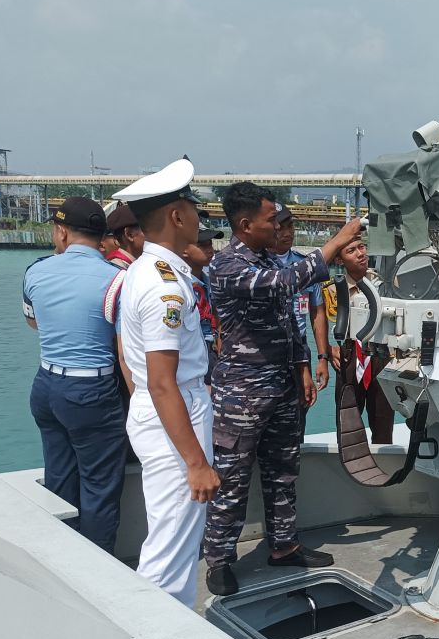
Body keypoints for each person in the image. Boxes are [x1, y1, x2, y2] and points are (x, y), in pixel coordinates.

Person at [204, 181, 364, 596]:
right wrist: (337, 241)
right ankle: (219, 559)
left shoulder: (265, 259)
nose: (278, 226)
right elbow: (284, 286)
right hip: (242, 394)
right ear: (244, 224)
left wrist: (304, 367)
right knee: (233, 477)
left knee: (283, 471)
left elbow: (290, 324)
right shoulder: (229, 266)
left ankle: (284, 545)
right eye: (270, 219)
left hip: (282, 387)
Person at [112, 158, 220, 606]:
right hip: (176, 415)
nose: (200, 218)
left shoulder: (145, 271)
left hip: (163, 416)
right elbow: (161, 382)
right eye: (194, 209)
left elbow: (133, 364)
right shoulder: (165, 288)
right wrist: (195, 462)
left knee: (172, 536)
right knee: (171, 551)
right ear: (177, 216)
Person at [22, 196, 128, 553]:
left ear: (62, 232)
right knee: (99, 486)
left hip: (46, 385)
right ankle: (98, 568)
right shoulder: (118, 280)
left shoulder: (35, 270)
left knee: (58, 478)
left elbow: (33, 322)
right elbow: (125, 343)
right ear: (102, 236)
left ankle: (60, 560)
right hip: (92, 389)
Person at [326, 237, 395, 444]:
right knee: (347, 423)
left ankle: (384, 463)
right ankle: (347, 465)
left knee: (383, 423)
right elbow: (320, 322)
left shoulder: (386, 285)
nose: (360, 253)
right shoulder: (333, 290)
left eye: (362, 247)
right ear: (339, 260)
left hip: (382, 355)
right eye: (351, 250)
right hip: (349, 356)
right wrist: (328, 351)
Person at [271, 203, 330, 401]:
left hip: (300, 350)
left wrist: (323, 357)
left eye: (291, 226)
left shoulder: (305, 266)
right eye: (281, 228)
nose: (287, 233)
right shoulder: (258, 267)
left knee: (300, 409)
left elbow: (317, 312)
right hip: (269, 351)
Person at [182, 222, 223, 383]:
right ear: (184, 249)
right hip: (191, 351)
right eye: (202, 245)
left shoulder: (211, 282)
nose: (210, 249)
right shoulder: (181, 287)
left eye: (210, 244)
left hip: (211, 348)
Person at [104, 202, 144, 269]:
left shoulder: (137, 264)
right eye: (146, 230)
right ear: (129, 234)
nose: (152, 235)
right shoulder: (117, 268)